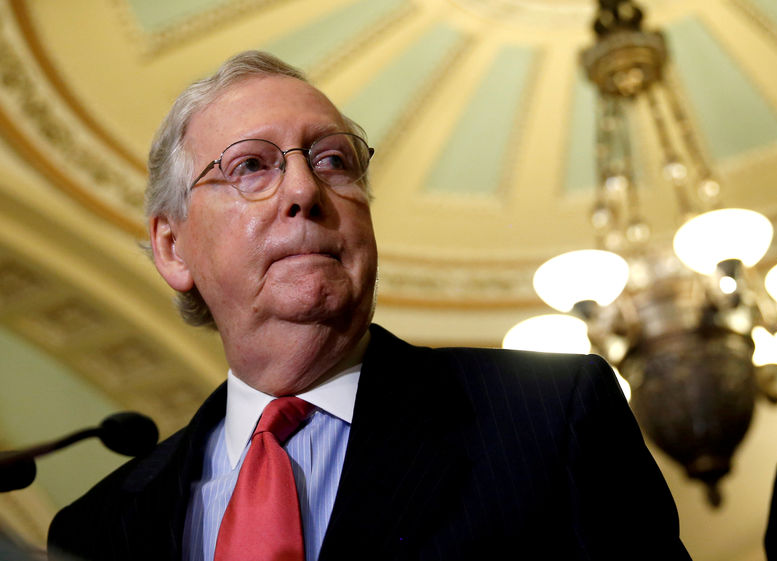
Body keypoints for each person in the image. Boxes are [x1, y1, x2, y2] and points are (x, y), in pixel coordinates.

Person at [47, 50, 692, 561]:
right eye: (250, 167)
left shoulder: (549, 417)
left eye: (333, 160)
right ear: (172, 248)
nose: (304, 189)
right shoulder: (97, 528)